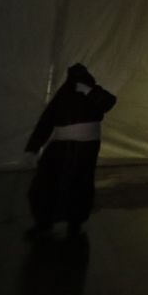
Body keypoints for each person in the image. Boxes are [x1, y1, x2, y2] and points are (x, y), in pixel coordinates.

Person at [25, 63, 117, 239]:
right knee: (47, 182)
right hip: (63, 146)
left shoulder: (93, 93)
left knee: (79, 184)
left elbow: (109, 102)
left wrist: (89, 91)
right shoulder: (64, 95)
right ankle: (44, 221)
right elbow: (47, 120)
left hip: (85, 149)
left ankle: (74, 222)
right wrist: (33, 148)